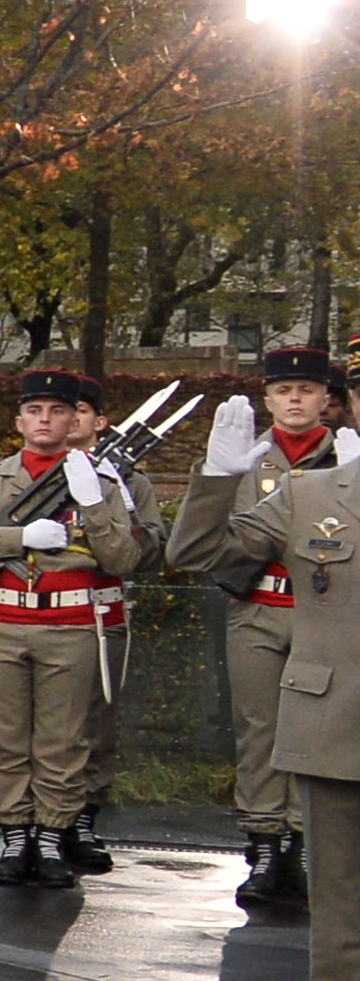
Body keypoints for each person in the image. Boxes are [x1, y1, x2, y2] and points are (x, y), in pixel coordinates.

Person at [165, 390, 360, 981]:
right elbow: (196, 553)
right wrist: (215, 479)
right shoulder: (312, 493)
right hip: (335, 718)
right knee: (339, 903)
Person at [0, 367, 148, 890]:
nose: (45, 420)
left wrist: (92, 502)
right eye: (34, 410)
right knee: (5, 740)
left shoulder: (103, 480)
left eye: (57, 411)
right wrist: (16, 538)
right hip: (6, 619)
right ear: (19, 420)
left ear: (77, 418)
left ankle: (51, 836)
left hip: (74, 622)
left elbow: (124, 557)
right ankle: (14, 837)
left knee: (63, 741)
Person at [207, 345, 345, 911]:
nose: (295, 399)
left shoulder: (346, 455)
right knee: (259, 728)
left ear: (325, 400)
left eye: (307, 390)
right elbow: (217, 537)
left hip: (324, 612)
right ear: (267, 399)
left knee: (319, 731)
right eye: (284, 391)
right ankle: (266, 845)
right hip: (261, 608)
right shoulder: (250, 458)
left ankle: (306, 840)